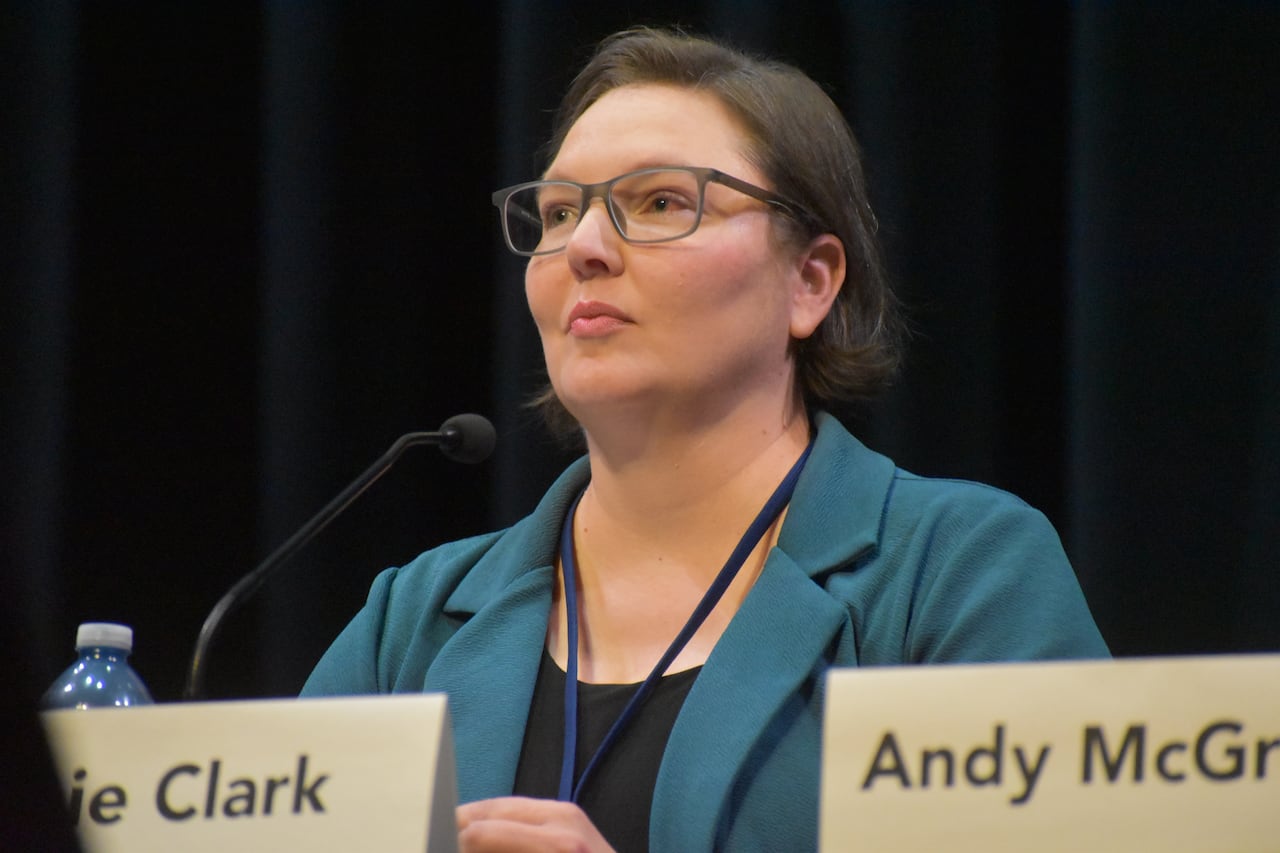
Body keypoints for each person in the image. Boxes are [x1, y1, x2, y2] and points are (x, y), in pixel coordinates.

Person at [301, 26, 1108, 852]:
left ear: (810, 281)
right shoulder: (417, 617)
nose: (582, 247)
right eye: (557, 212)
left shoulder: (956, 575)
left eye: (659, 202)